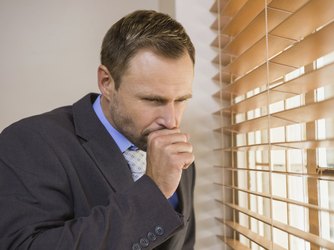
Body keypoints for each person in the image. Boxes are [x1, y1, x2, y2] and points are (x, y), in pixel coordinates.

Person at [0, 10, 196, 250]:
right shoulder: (28, 142)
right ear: (106, 82)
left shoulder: (175, 154)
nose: (171, 120)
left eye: (181, 100)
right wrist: (152, 192)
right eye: (153, 100)